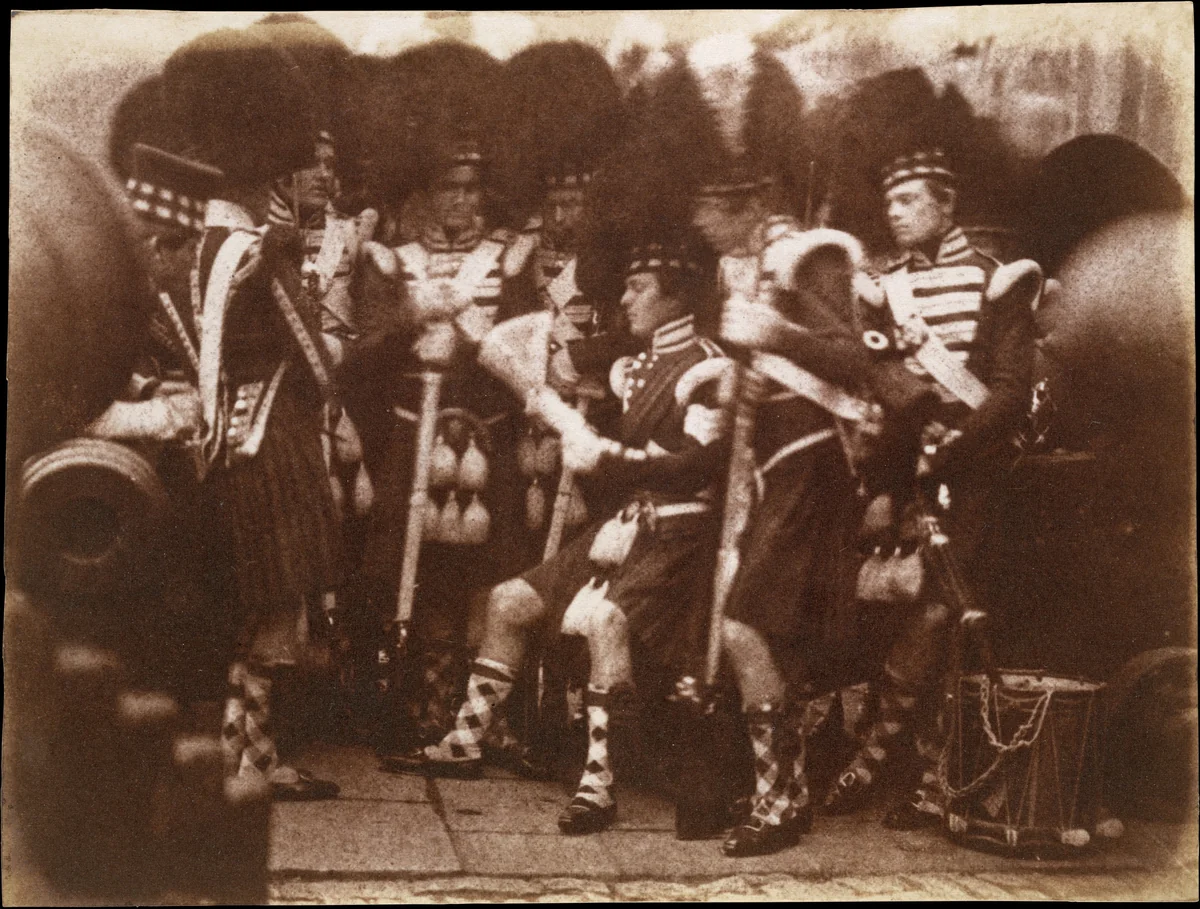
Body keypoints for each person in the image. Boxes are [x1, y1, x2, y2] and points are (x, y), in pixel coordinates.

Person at [383, 240, 731, 837]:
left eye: (639, 288)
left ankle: (599, 782)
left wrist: (604, 452)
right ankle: (465, 740)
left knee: (606, 624)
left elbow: (695, 464)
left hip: (681, 534)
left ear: (677, 297)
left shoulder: (707, 369)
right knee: (509, 601)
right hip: (627, 524)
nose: (625, 300)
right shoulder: (634, 365)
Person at [822, 149, 1042, 827]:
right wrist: (890, 479)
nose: (895, 212)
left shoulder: (998, 282)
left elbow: (1010, 391)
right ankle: (894, 756)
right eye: (890, 201)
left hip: (975, 472)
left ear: (947, 206)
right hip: (904, 472)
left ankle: (916, 768)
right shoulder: (885, 291)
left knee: (943, 615)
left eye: (911, 199)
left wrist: (951, 450)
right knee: (890, 606)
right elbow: (881, 386)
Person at [162, 26, 343, 801]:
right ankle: (256, 762)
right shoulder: (261, 253)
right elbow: (318, 362)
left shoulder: (205, 245)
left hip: (228, 437)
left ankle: (242, 753)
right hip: (275, 439)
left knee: (250, 602)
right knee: (278, 605)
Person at [360, 127, 540, 750]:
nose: (461, 200)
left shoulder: (510, 258)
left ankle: (483, 712)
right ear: (427, 195)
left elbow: (523, 344)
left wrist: (466, 340)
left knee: (489, 567)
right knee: (423, 569)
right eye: (448, 188)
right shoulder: (392, 259)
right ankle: (429, 700)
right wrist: (410, 316)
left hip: (486, 430)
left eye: (471, 188)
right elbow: (368, 349)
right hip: (415, 429)